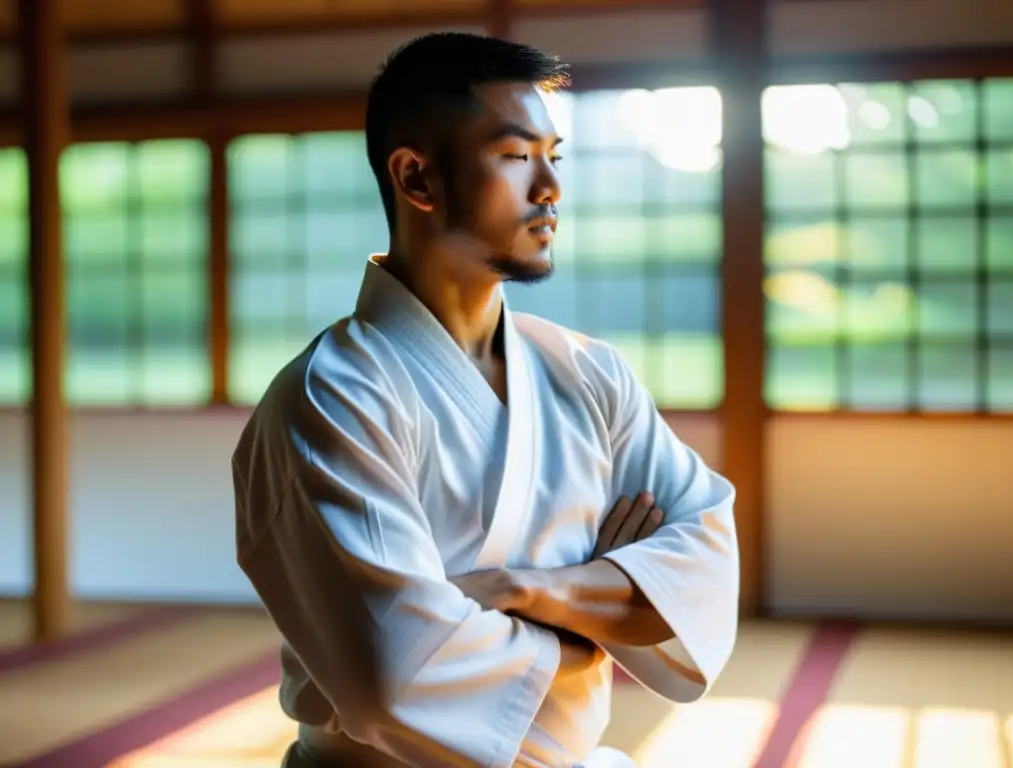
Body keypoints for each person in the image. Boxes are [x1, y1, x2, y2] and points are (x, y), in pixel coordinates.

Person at [232, 31, 739, 768]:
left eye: (554, 156)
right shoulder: (330, 399)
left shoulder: (590, 374)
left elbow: (705, 566)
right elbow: (392, 676)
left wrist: (521, 589)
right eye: (514, 155)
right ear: (418, 179)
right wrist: (599, 612)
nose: (551, 187)